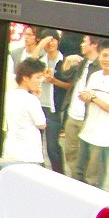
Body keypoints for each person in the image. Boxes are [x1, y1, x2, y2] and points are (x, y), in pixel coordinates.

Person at [77, 40, 109, 189]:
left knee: (95, 178)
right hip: (88, 131)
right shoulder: (95, 76)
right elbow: (89, 98)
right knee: (79, 172)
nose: (107, 59)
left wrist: (93, 98)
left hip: (104, 136)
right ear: (99, 56)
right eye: (105, 55)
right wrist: (85, 97)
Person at [62, 35, 100, 179]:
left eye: (85, 42)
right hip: (72, 114)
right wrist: (67, 61)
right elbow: (65, 75)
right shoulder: (82, 62)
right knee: (70, 152)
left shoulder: (100, 66)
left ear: (94, 44)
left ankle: (83, 182)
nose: (82, 44)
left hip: (87, 117)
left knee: (86, 155)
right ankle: (76, 180)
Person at [38, 28, 72, 174]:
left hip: (53, 109)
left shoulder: (64, 62)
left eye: (53, 40)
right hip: (39, 106)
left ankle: (59, 174)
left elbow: (70, 85)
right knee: (36, 144)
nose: (50, 43)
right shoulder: (41, 61)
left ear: (58, 42)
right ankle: (39, 173)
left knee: (52, 146)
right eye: (47, 40)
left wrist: (54, 81)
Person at [3, 58, 47, 163]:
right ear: (26, 77)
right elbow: (42, 124)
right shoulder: (31, 100)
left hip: (10, 150)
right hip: (29, 152)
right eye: (38, 77)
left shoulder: (9, 94)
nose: (40, 81)